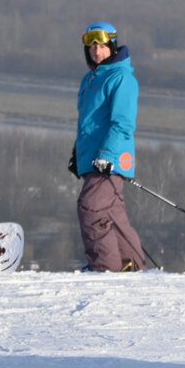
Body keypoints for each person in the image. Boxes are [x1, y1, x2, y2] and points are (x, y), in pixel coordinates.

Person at [71, 22, 145, 273]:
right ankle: (131, 265)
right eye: (91, 47)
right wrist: (77, 154)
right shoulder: (91, 79)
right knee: (112, 213)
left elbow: (123, 123)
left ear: (112, 46)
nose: (96, 51)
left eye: (101, 46)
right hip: (94, 158)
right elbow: (89, 124)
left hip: (109, 159)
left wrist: (107, 155)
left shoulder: (121, 78)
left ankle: (104, 267)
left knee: (91, 208)